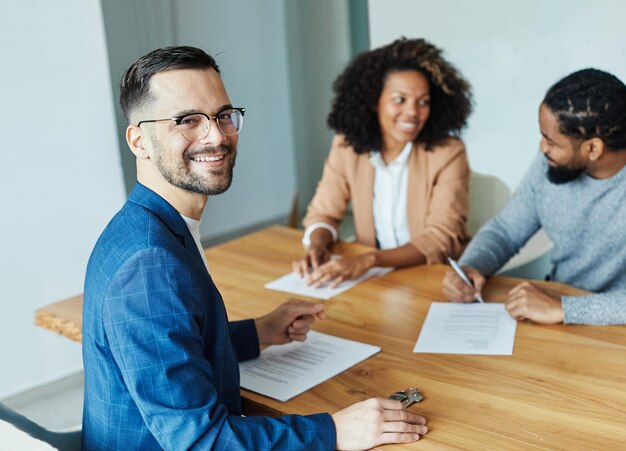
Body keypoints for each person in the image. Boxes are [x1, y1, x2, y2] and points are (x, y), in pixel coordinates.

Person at [82, 46, 428, 450]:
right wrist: (334, 432)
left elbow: (172, 342)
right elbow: (201, 442)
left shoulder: (146, 226)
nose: (215, 136)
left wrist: (258, 332)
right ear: (139, 141)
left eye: (222, 115)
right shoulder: (148, 263)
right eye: (187, 120)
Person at [443, 68, 626, 326]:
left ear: (593, 148)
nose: (542, 148)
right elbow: (506, 230)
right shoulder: (550, 164)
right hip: (557, 315)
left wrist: (565, 309)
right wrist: (473, 266)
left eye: (551, 141)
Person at [293, 37, 473, 288]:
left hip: (432, 278)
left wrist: (370, 259)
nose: (413, 112)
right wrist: (317, 245)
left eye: (423, 102)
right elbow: (324, 212)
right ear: (373, 101)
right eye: (400, 100)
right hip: (376, 282)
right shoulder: (348, 146)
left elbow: (439, 239)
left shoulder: (448, 153)